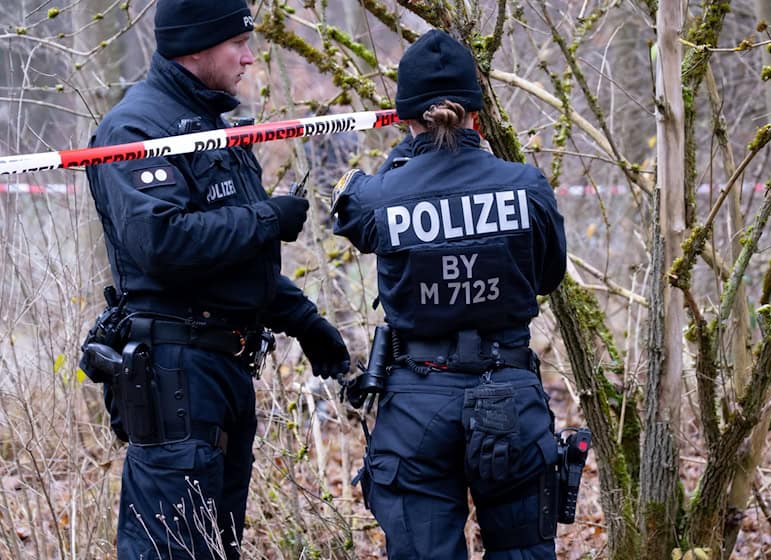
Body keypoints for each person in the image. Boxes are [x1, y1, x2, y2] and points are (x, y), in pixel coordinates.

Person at [81, 1, 350, 557]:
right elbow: (162, 244)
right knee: (171, 548)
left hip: (224, 371)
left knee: (216, 546)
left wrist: (304, 321)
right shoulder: (135, 128)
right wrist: (267, 217)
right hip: (176, 375)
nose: (250, 58)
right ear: (196, 47)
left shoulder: (208, 126)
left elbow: (235, 260)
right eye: (238, 44)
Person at [331, 29, 567, 559]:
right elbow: (548, 277)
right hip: (508, 389)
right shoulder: (525, 186)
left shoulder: (382, 196)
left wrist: (407, 153)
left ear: (406, 120)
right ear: (477, 116)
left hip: (417, 402)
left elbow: (346, 208)